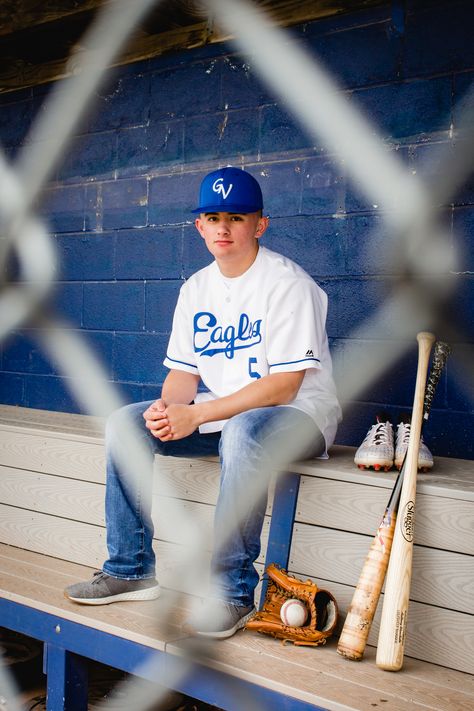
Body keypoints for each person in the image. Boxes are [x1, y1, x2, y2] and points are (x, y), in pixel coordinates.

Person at [65, 166, 341, 639]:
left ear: (260, 224)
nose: (223, 227)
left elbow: (285, 387)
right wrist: (167, 410)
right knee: (126, 422)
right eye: (213, 217)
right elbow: (183, 375)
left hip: (298, 419)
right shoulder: (196, 289)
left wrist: (197, 414)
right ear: (199, 226)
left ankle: (232, 593)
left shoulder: (288, 284)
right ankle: (130, 569)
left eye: (236, 217)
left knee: (244, 428)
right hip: (223, 420)